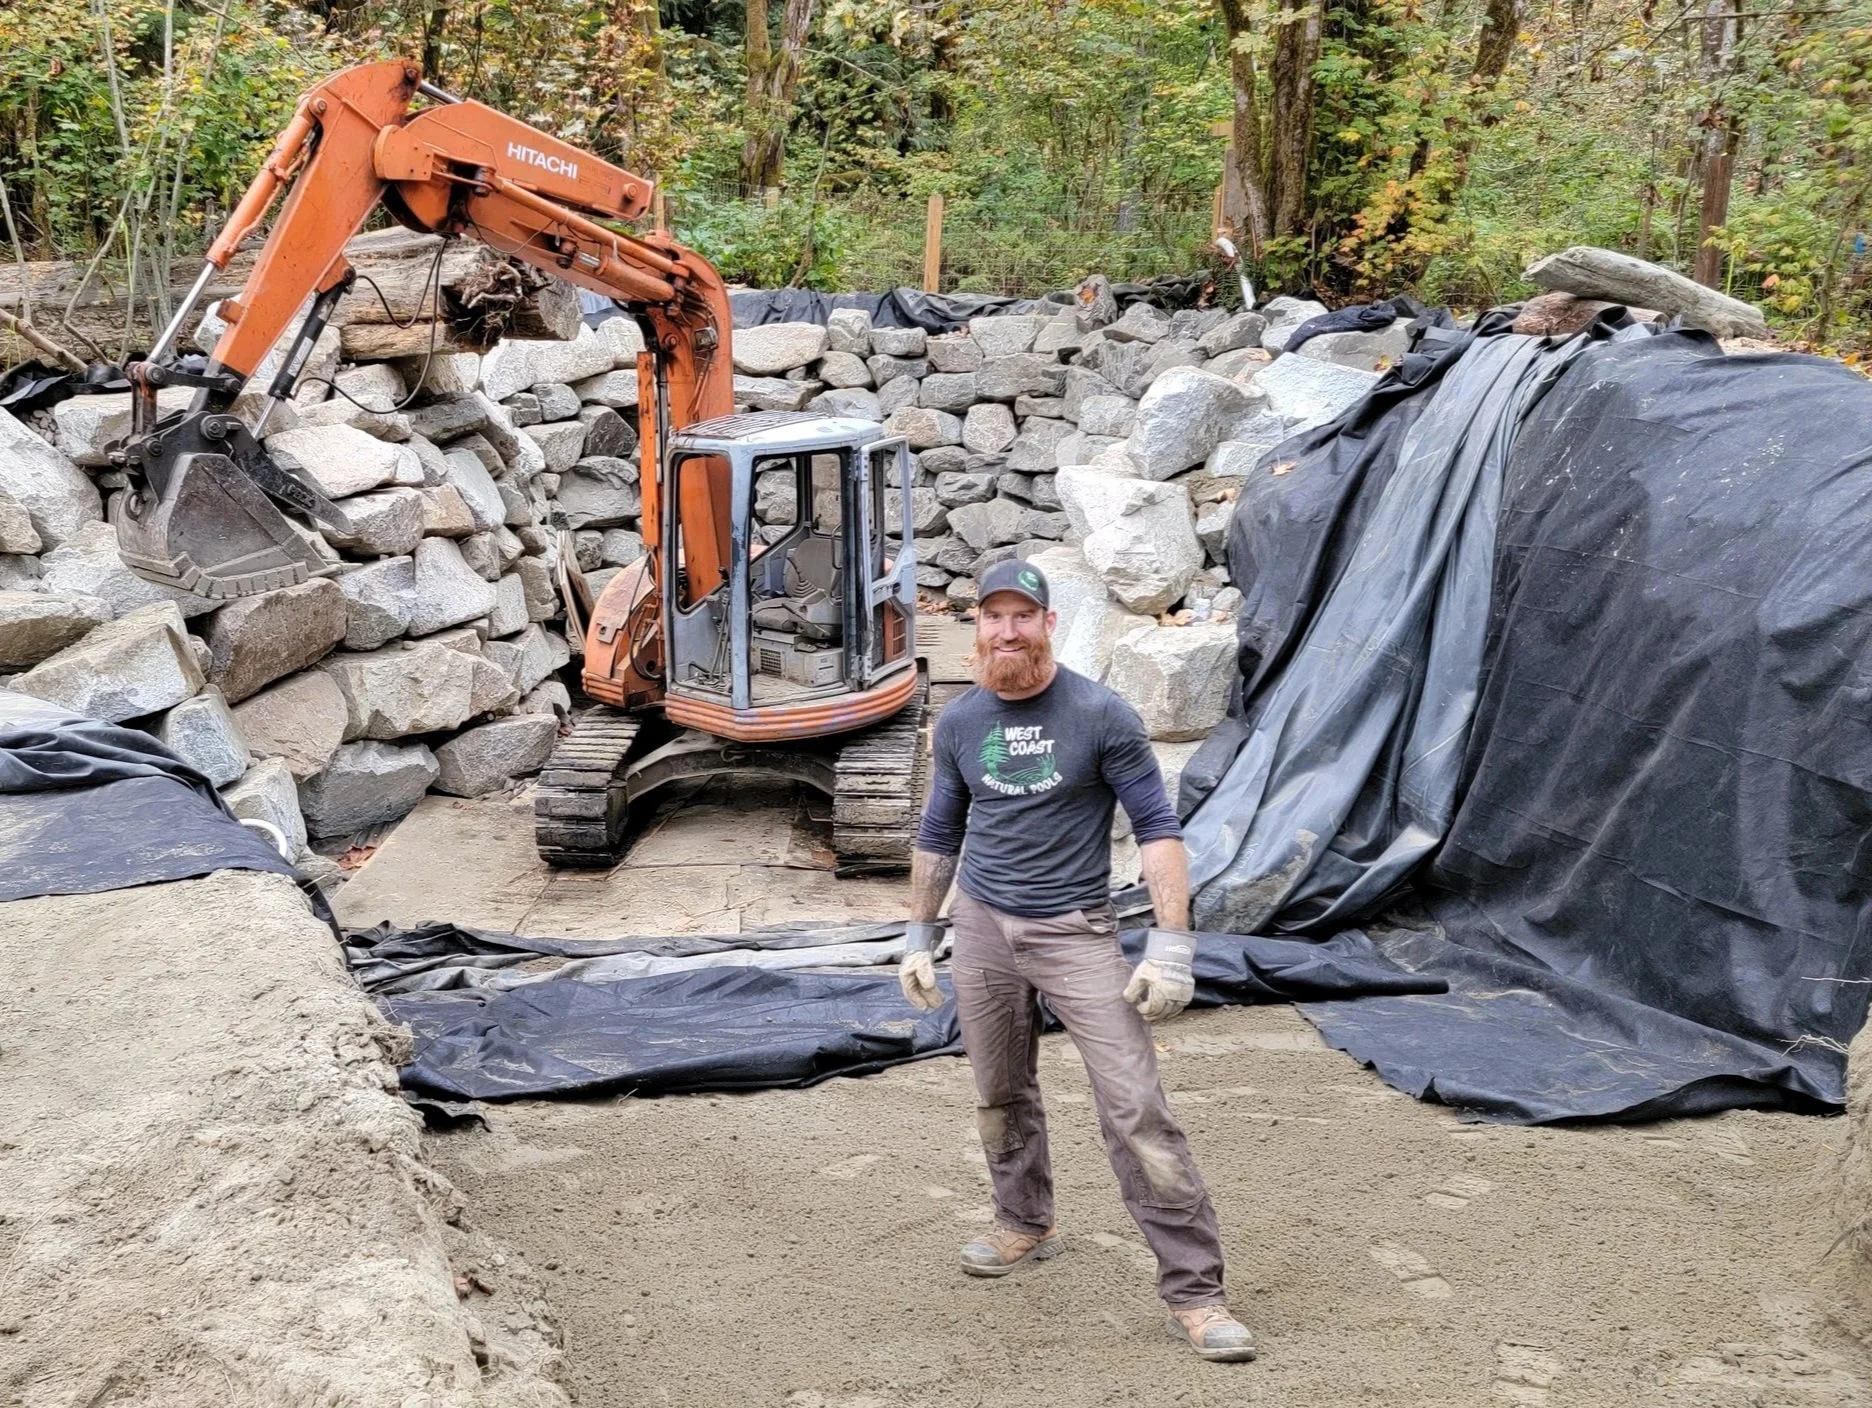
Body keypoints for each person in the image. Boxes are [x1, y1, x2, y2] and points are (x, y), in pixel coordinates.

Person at [897, 559, 1256, 1364]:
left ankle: (1196, 1295)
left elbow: (1159, 829)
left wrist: (1171, 947)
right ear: (976, 628)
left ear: (1048, 623)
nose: (1008, 630)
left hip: (1076, 929)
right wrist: (920, 935)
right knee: (998, 1091)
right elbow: (938, 834)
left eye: (1024, 615)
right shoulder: (959, 721)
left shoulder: (1099, 714)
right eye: (993, 616)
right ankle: (1024, 1222)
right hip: (983, 929)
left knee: (1135, 1106)